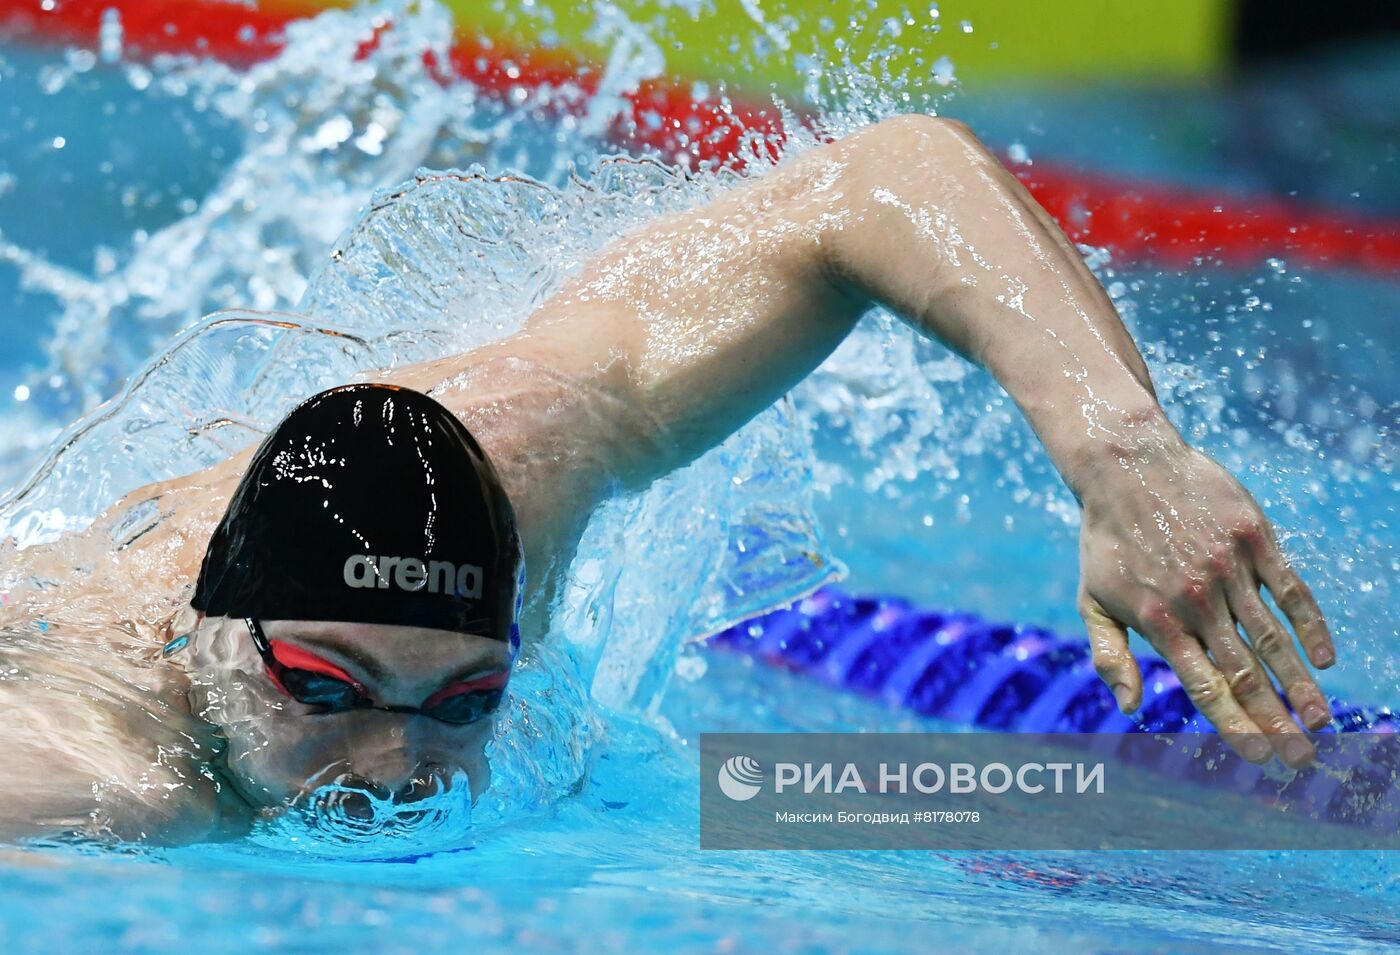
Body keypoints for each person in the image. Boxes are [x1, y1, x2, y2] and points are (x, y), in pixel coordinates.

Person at [0, 115, 1335, 843]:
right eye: (329, 691)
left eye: (466, 699)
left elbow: (877, 180)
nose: (395, 768)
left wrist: (1120, 449)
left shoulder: (526, 448)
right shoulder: (100, 771)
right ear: (218, 637)